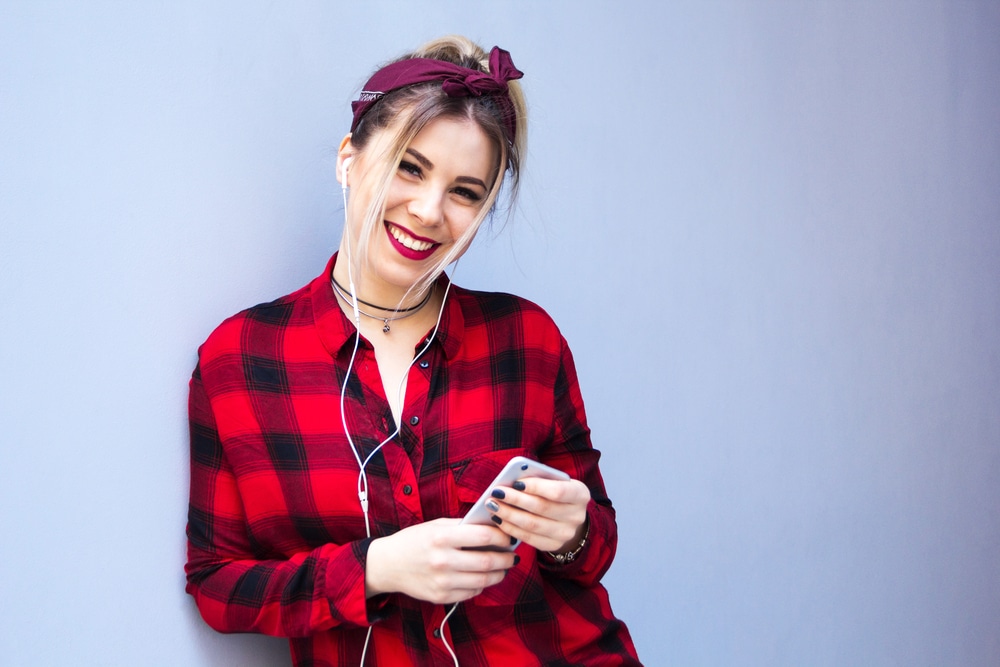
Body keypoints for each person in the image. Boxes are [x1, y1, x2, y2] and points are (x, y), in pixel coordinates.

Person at [185, 35, 641, 666]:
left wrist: (573, 531)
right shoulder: (239, 363)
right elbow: (217, 586)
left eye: (466, 192)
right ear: (349, 158)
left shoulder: (527, 339)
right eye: (410, 166)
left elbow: (596, 551)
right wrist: (375, 569)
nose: (429, 211)